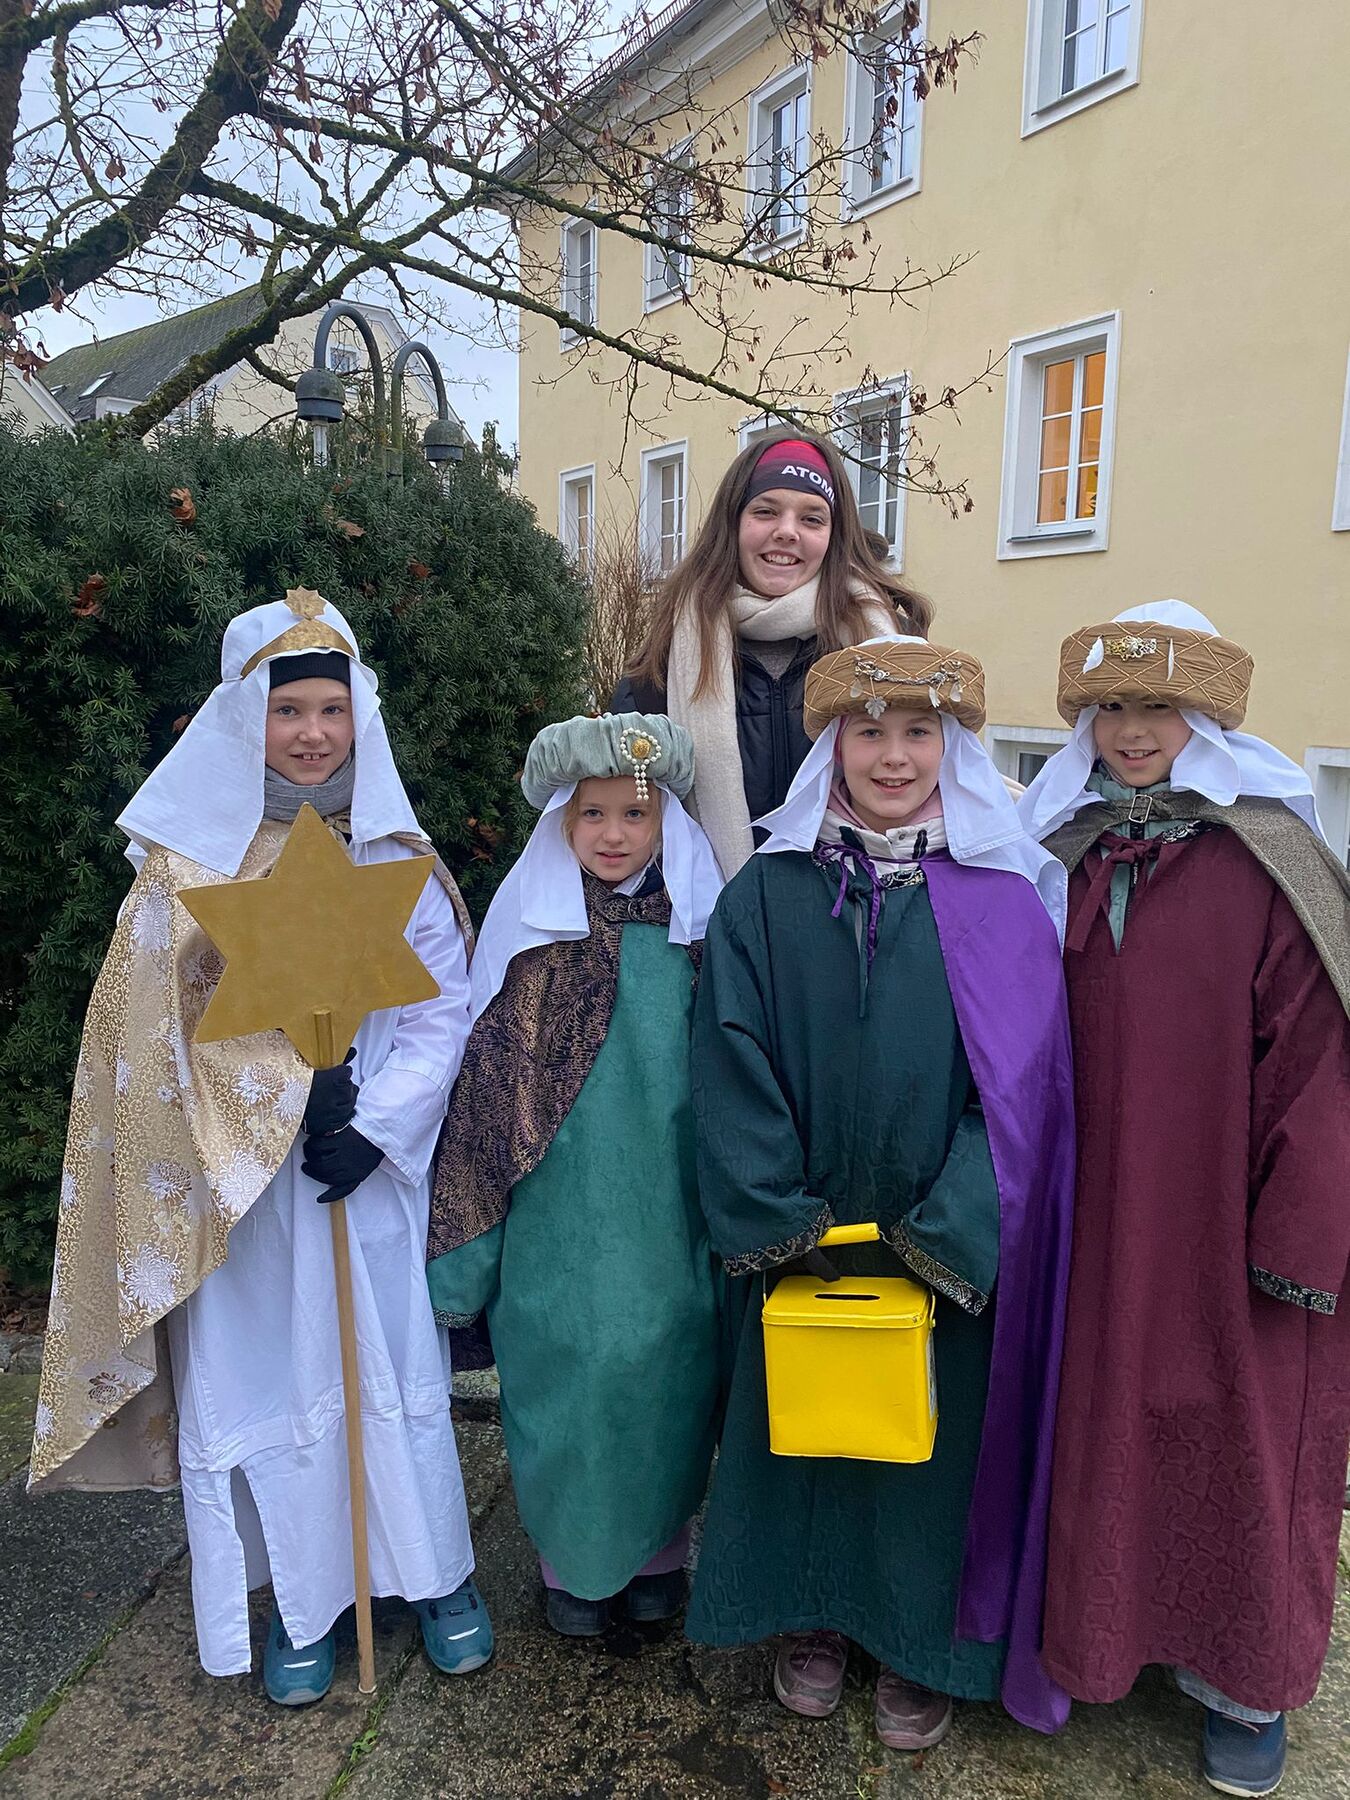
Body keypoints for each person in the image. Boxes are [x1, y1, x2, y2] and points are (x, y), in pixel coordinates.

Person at [29, 591, 493, 1705]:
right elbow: (150, 1040)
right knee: (269, 1382)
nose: (313, 733)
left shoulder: (393, 853)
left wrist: (374, 1121)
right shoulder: (185, 870)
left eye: (332, 709)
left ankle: (434, 1575)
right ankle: (301, 1597)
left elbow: (443, 1006)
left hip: (360, 1179)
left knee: (388, 1365)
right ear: (247, 718)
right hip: (240, 1190)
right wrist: (282, 1090)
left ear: (359, 715)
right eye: (290, 711)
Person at [686, 634, 1076, 1746]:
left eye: (917, 733)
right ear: (834, 748)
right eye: (869, 732)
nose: (893, 756)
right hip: (806, 1232)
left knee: (931, 1445)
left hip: (935, 1237)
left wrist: (952, 1224)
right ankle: (809, 1615)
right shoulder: (767, 895)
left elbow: (1023, 1086)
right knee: (806, 1431)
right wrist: (778, 1211)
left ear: (952, 749)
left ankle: (919, 1642)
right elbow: (728, 1049)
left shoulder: (1004, 901)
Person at [1018, 601, 1350, 1799]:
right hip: (1088, 1214)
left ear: (1203, 720)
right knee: (1098, 1424)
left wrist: (1300, 1235)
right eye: (1113, 707)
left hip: (1224, 1220)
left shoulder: (1274, 861)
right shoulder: (1055, 850)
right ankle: (1100, 1643)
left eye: (1158, 707)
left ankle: (1241, 1681)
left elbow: (1320, 1061)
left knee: (1238, 1439)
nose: (1133, 731)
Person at [426, 713, 725, 1636]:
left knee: (666, 1376)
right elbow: (486, 1099)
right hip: (554, 1224)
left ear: (668, 822)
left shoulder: (700, 942)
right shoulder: (531, 942)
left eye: (635, 814)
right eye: (591, 813)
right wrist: (464, 1259)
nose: (612, 834)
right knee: (563, 1382)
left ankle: (660, 1557)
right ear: (562, 820)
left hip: (668, 1219)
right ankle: (569, 1566)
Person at [612, 431, 932, 878]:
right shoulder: (664, 665)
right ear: (733, 523)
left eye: (812, 519)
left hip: (861, 903)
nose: (786, 531)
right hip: (711, 908)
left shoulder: (890, 644)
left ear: (833, 535)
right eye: (765, 512)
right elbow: (627, 815)